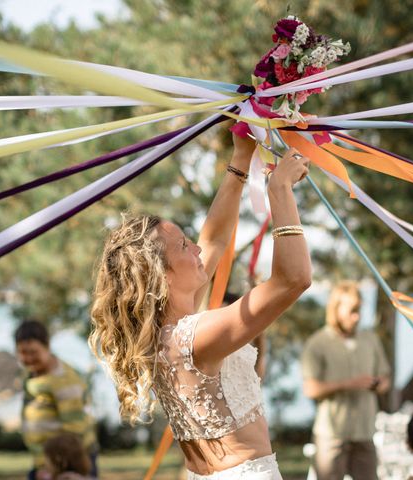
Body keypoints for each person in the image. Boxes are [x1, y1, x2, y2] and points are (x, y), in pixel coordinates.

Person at [89, 131, 311, 479]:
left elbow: (215, 238)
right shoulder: (194, 337)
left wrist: (240, 157)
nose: (195, 248)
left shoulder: (165, 335)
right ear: (161, 277)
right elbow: (292, 279)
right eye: (182, 247)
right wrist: (280, 191)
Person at [301, 281, 390, 480]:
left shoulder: (370, 340)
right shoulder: (317, 343)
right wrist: (347, 384)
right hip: (331, 435)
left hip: (365, 430)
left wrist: (378, 384)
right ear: (336, 309)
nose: (357, 316)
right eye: (352, 310)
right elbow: (310, 389)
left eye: (359, 310)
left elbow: (385, 380)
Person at [15, 320, 98, 480]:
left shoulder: (63, 380)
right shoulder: (33, 376)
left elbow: (74, 429)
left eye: (33, 352)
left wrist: (55, 469)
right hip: (46, 461)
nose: (29, 358)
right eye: (23, 353)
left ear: (47, 347)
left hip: (68, 463)